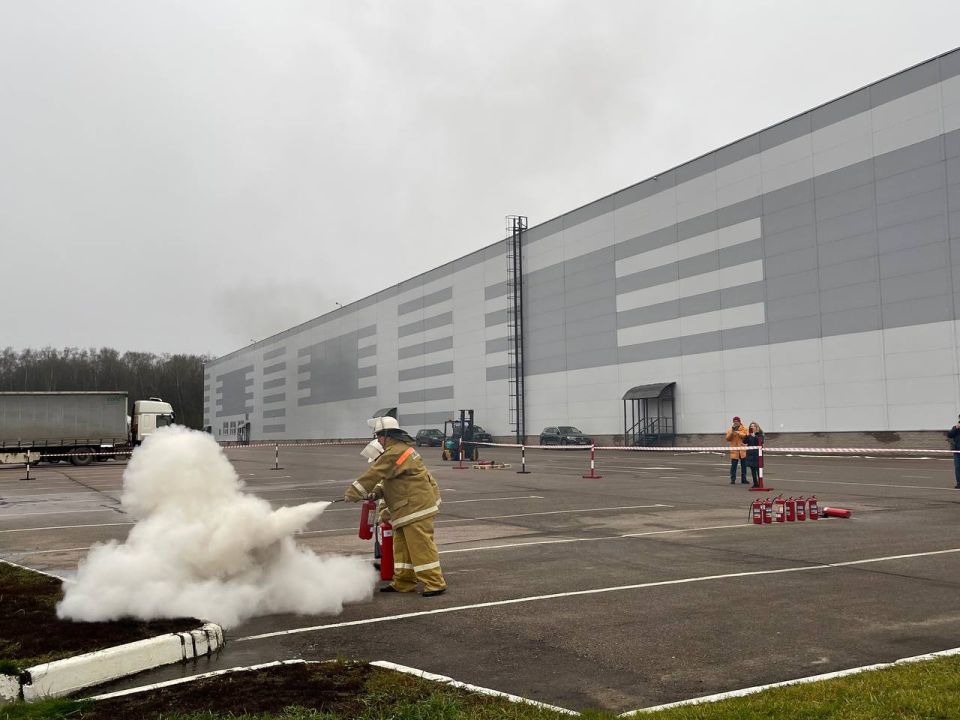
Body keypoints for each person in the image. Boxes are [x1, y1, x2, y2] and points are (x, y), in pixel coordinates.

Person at [345, 416, 446, 596]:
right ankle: (404, 582)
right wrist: (375, 493)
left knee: (420, 546)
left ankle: (435, 583)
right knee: (402, 549)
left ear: (386, 435)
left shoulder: (394, 452)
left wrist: (354, 491)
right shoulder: (398, 451)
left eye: (378, 436)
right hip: (406, 509)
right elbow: (388, 480)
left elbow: (374, 473)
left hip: (416, 508)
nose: (377, 440)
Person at [725, 416, 748, 484]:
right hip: (734, 451)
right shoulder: (730, 430)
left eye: (737, 421)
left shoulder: (744, 429)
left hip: (742, 450)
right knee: (733, 466)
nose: (736, 422)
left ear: (740, 422)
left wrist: (738, 432)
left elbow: (746, 436)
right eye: (734, 421)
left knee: (744, 466)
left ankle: (744, 479)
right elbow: (727, 439)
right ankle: (733, 479)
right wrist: (732, 433)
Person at [743, 422, 764, 488]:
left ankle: (760, 483)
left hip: (757, 455)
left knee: (758, 470)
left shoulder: (760, 434)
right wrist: (746, 435)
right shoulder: (749, 435)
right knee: (752, 470)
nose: (752, 427)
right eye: (751, 426)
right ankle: (755, 483)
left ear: (756, 427)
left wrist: (754, 436)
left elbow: (761, 441)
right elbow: (744, 441)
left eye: (753, 426)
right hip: (750, 454)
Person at [948, 415, 960, 489]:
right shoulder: (955, 427)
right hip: (957, 451)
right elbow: (950, 435)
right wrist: (956, 428)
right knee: (958, 467)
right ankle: (959, 482)